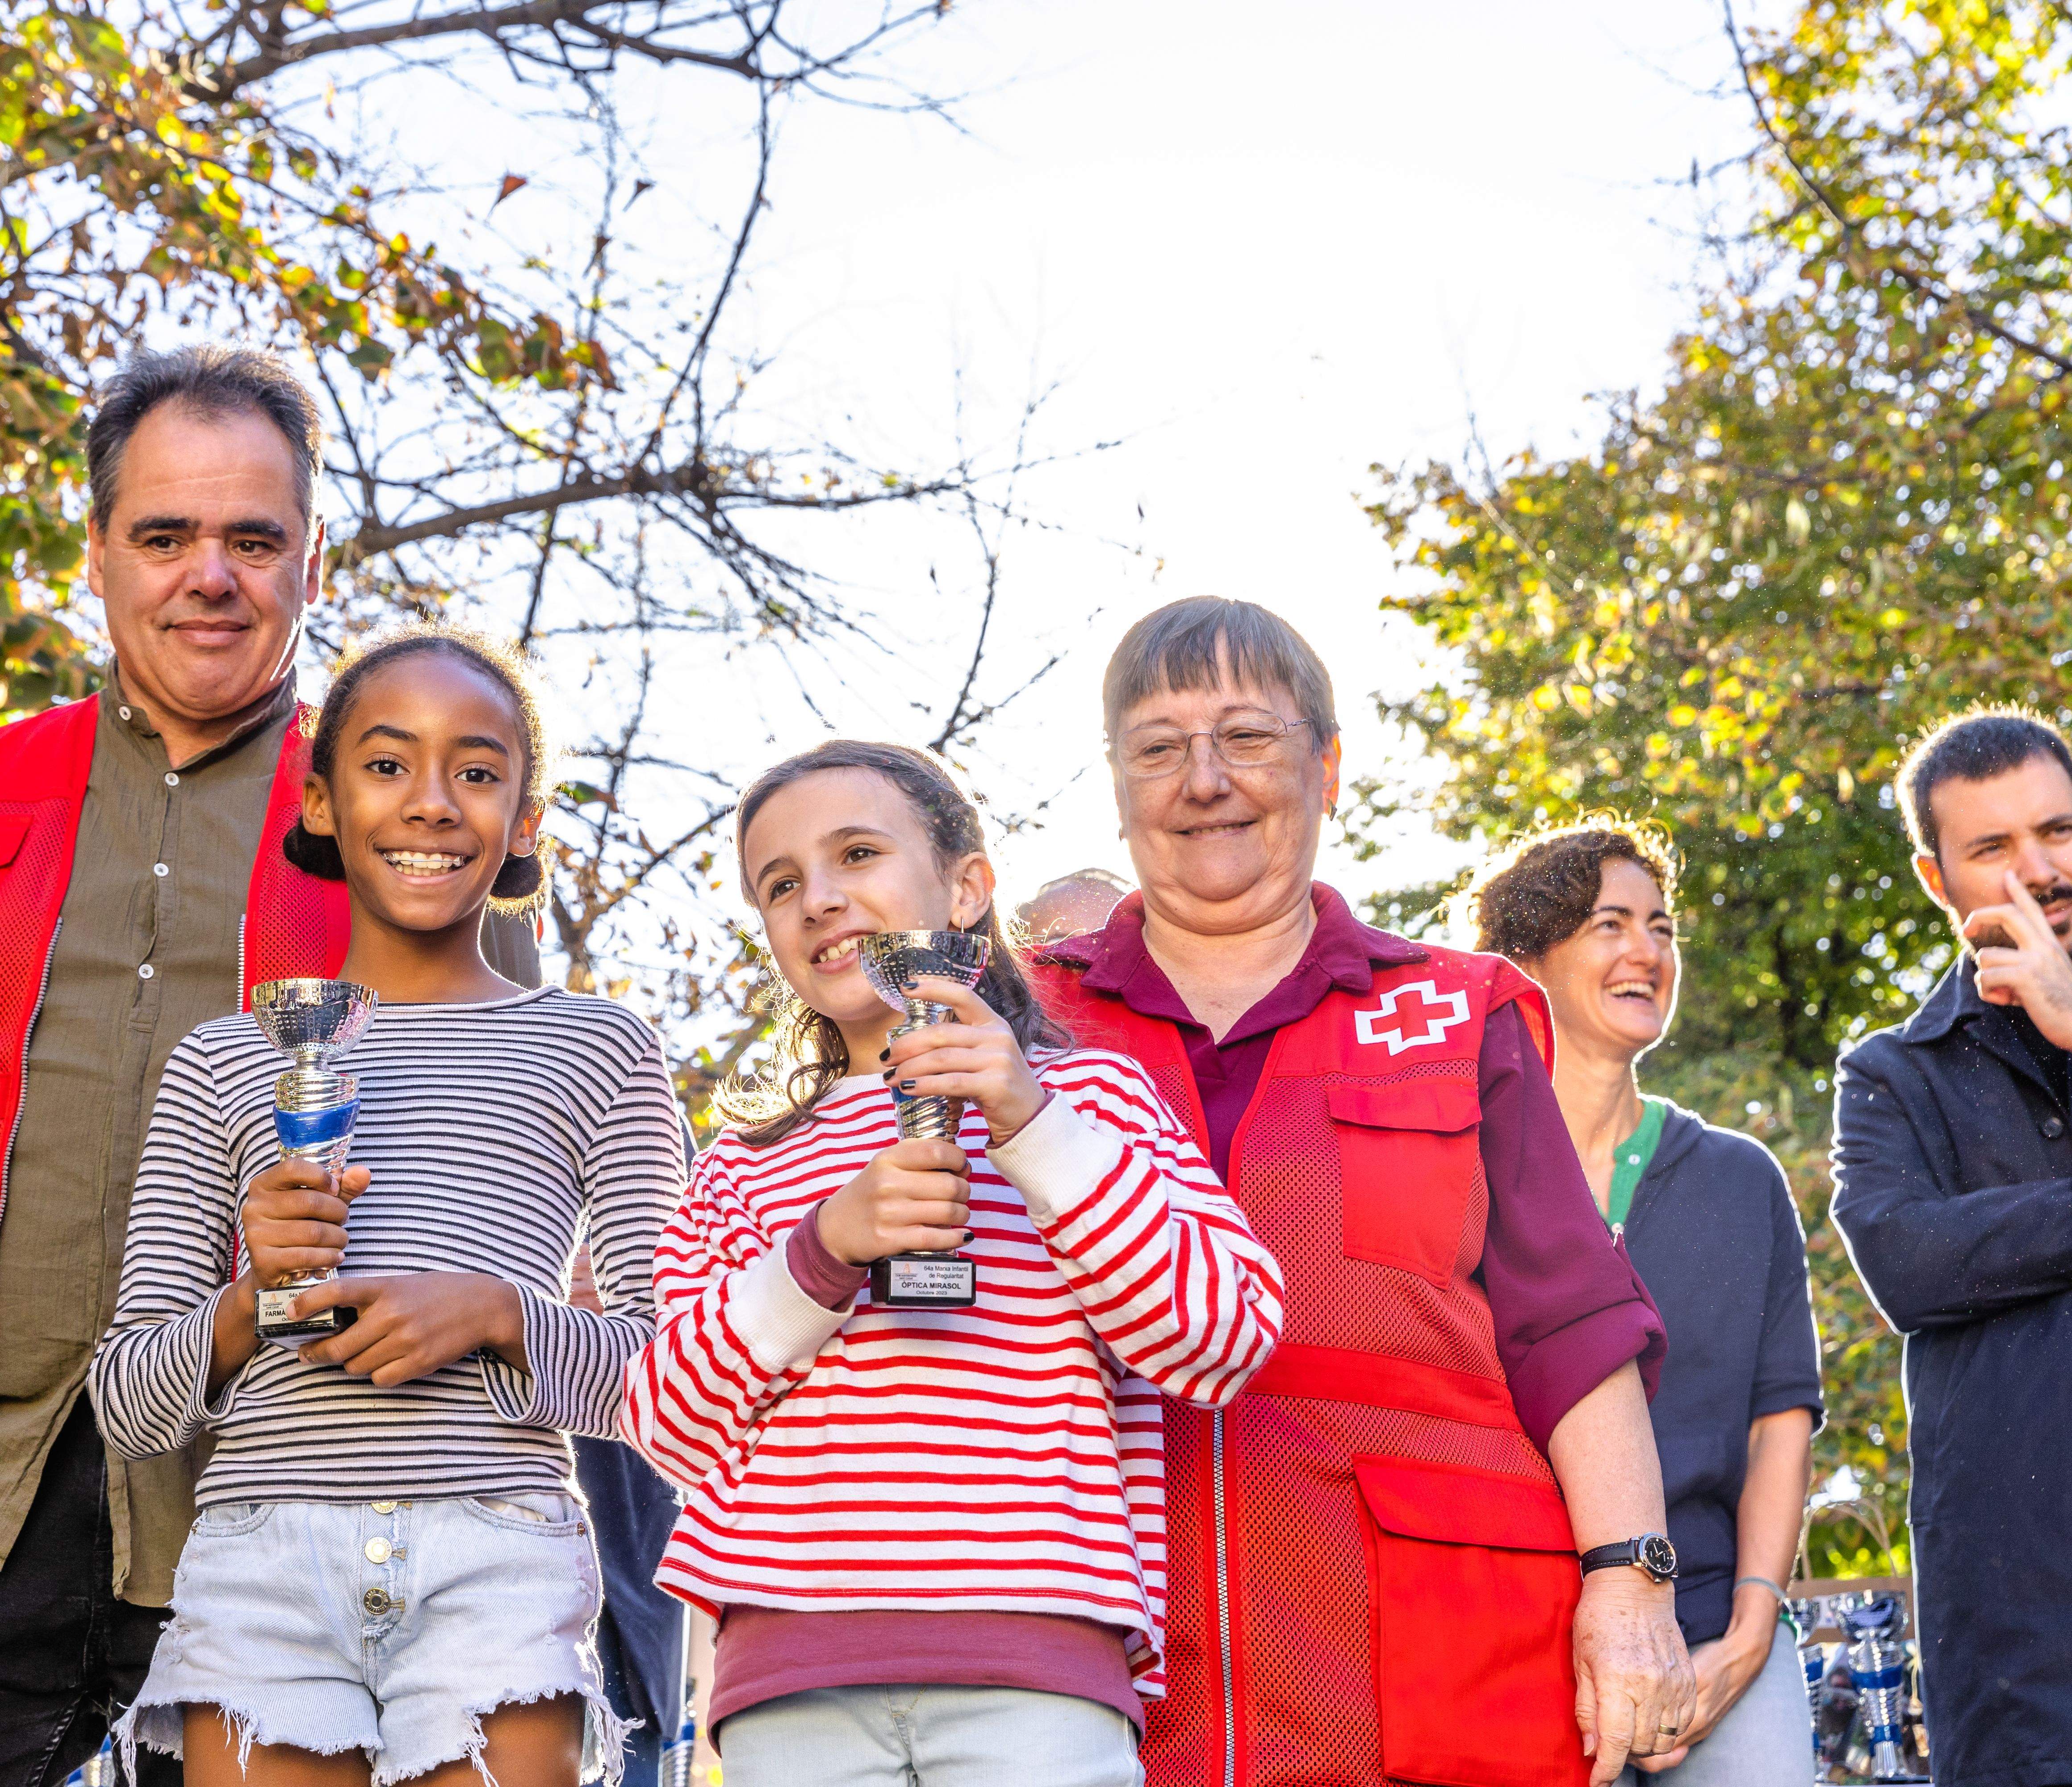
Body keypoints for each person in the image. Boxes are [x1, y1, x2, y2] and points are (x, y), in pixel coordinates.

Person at [1028, 596, 1696, 1787]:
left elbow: (1573, 1329)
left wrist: (1631, 1584)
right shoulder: (1021, 1024)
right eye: (1159, 747)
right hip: (1100, 1680)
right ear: (1119, 786)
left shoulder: (1462, 1010)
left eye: (1246, 736)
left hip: (1432, 1663)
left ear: (1327, 767)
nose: (1205, 780)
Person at [0, 345, 357, 1787]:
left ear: (316, 557)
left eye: (254, 538)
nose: (209, 578)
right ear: (99, 555)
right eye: (165, 536)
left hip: (278, 1511)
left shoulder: (398, 832)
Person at [620, 739, 1285, 1787]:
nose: (821, 899)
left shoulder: (1092, 1100)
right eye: (781, 883)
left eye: (857, 853)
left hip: (1039, 1667)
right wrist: (822, 1248)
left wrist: (1028, 1123)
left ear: (969, 887)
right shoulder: (741, 1167)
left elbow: (1221, 1334)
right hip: (790, 1675)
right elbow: (668, 1418)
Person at [88, 627, 684, 1787]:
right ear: (319, 803)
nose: (430, 804)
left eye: (475, 771)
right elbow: (127, 1405)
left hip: (501, 1554)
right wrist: (250, 1305)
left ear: (525, 824)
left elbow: (679, 1384)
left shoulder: (599, 1052)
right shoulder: (222, 1061)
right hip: (261, 1561)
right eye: (385, 764)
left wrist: (499, 1314)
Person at [1468, 824, 1822, 1783]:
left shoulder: (1740, 1179)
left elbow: (1779, 1419)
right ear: (1524, 961)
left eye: (1662, 927)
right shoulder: (1459, 1170)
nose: (1648, 952)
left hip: (1714, 1621)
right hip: (1518, 1634)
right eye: (1609, 924)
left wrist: (1750, 1630)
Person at [1831, 706, 2072, 1787]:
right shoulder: (1889, 1073)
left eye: (2058, 831)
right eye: (1994, 848)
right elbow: (1911, 1264)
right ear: (1937, 880)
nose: (2040, 870)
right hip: (2019, 1626)